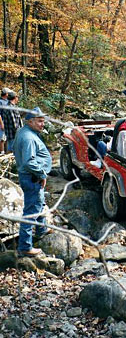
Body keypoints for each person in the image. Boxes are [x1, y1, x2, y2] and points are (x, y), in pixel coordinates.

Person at [13, 107, 52, 257]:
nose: (43, 124)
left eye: (43, 121)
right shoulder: (28, 137)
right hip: (32, 177)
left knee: (39, 202)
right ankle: (25, 246)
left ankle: (42, 229)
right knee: (31, 211)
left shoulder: (24, 132)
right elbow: (29, 162)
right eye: (40, 121)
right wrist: (42, 174)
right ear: (30, 121)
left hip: (30, 177)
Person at [0, 87, 11, 154]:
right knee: (1, 138)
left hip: (7, 121)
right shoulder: (0, 102)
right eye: (8, 93)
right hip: (2, 121)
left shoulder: (8, 101)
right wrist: (2, 123)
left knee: (7, 137)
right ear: (6, 93)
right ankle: (2, 152)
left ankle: (7, 152)